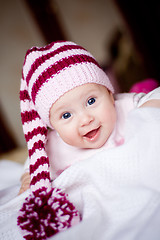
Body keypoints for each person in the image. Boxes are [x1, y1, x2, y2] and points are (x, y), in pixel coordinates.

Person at [18, 40, 160, 239]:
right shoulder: (55, 146)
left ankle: (141, 88)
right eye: (66, 115)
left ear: (110, 94)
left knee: (145, 94)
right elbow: (36, 158)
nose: (85, 119)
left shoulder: (126, 108)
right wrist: (28, 175)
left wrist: (148, 109)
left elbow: (157, 98)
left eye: (91, 101)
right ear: (52, 126)